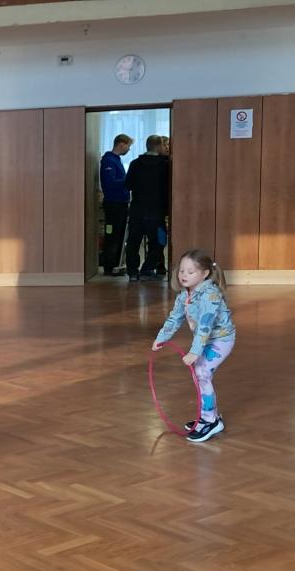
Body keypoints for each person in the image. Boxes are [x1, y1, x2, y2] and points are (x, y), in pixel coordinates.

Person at [152, 249, 236, 443]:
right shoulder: (185, 295)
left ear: (205, 273)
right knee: (200, 374)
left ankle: (210, 421)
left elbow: (205, 327)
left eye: (190, 272)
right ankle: (209, 416)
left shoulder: (210, 295)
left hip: (221, 339)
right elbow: (175, 318)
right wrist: (161, 338)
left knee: (201, 372)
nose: (184, 275)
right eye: (182, 271)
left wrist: (194, 352)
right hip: (205, 339)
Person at [124, 135, 170, 281]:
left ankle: (132, 272)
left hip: (137, 210)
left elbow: (127, 185)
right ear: (159, 146)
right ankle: (147, 268)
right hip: (156, 211)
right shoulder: (165, 165)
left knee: (133, 242)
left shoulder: (135, 163)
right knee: (159, 241)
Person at [99, 134, 133, 276]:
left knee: (119, 235)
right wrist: (128, 181)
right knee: (112, 235)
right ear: (121, 144)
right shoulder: (109, 160)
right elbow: (110, 182)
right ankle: (110, 265)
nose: (128, 149)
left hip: (121, 203)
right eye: (128, 146)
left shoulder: (116, 160)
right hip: (114, 204)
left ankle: (116, 264)